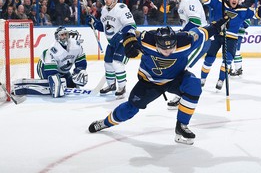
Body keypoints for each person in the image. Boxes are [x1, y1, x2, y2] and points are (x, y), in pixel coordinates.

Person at [88, 17, 230, 145]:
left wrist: (219, 24)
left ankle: (182, 125)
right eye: (163, 48)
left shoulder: (186, 40)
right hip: (149, 82)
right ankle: (105, 123)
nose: (168, 52)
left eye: (171, 47)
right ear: (156, 43)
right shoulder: (146, 39)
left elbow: (205, 31)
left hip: (175, 79)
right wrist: (128, 41)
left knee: (194, 85)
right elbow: (128, 30)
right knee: (130, 108)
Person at [197, 0, 261, 90]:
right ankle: (202, 79)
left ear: (238, 0)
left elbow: (257, 14)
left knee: (227, 60)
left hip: (231, 38)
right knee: (209, 58)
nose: (234, 0)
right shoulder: (220, 4)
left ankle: (221, 79)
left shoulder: (243, 10)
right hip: (217, 34)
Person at [86, 0, 137, 99]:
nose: (107, 0)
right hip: (112, 43)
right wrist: (94, 23)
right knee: (108, 63)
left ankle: (122, 87)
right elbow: (103, 27)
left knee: (117, 64)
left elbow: (131, 25)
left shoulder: (122, 8)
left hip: (124, 41)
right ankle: (111, 85)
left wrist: (120, 34)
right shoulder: (104, 10)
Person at [167, 0, 208, 109]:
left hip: (200, 39)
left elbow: (195, 21)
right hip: (194, 39)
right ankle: (183, 92)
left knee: (182, 67)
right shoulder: (184, 1)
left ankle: (186, 93)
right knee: (179, 65)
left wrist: (181, 33)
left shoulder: (189, 0)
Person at [37, 26, 88, 98]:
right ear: (57, 37)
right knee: (56, 84)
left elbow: (81, 62)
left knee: (71, 85)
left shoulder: (76, 46)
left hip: (62, 72)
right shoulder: (53, 49)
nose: (64, 37)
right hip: (44, 68)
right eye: (62, 35)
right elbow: (50, 71)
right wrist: (56, 81)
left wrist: (79, 71)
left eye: (66, 34)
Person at [230, 0, 249, 76]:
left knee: (236, 50)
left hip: (238, 33)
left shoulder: (244, 9)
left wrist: (239, 23)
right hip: (230, 32)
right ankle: (228, 67)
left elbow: (247, 23)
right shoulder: (230, 8)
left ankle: (238, 69)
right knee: (228, 50)